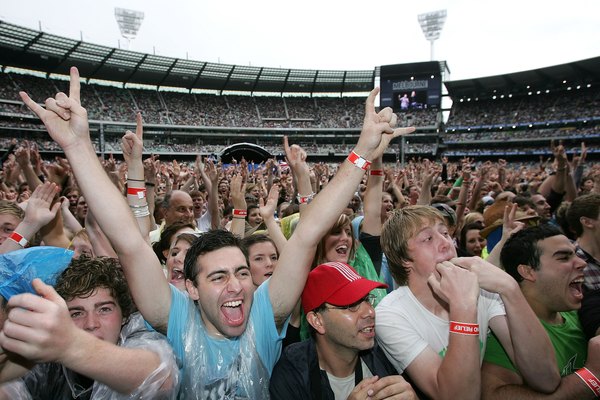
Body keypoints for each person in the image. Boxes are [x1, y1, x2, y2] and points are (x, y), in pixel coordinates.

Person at [19, 68, 413, 398]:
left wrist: (362, 151)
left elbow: (309, 232)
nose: (238, 286)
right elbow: (127, 241)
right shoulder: (173, 319)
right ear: (190, 288)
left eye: (242, 272)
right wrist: (77, 145)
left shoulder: (263, 314)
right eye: (218, 276)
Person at [377, 205, 560, 399]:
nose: (446, 243)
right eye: (428, 238)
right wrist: (463, 306)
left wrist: (510, 289)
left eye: (445, 233)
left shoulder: (483, 291)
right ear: (404, 259)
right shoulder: (391, 314)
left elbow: (546, 378)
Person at [0, 256, 179, 399]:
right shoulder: (48, 362)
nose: (91, 324)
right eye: (77, 313)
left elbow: (160, 378)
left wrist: (70, 346)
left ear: (124, 315)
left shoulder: (137, 336)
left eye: (104, 309)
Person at [482, 224, 600, 399]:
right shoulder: (504, 330)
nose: (582, 263)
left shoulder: (578, 310)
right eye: (564, 258)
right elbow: (494, 394)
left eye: (575, 253)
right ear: (528, 271)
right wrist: (592, 377)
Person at [270, 262, 418, 399]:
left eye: (367, 299)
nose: (370, 312)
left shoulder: (384, 355)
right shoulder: (292, 373)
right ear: (317, 321)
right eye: (351, 305)